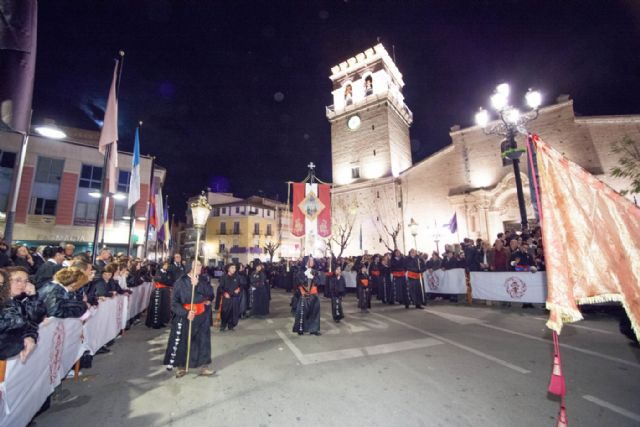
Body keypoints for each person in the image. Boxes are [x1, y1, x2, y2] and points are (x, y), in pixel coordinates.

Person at [163, 261, 215, 378]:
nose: (200, 267)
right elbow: (174, 303)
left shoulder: (203, 280)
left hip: (202, 315)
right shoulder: (180, 282)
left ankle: (204, 366)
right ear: (190, 268)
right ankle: (181, 366)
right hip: (186, 316)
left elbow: (211, 294)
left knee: (203, 342)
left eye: (200, 265)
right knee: (184, 341)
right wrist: (185, 313)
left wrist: (198, 285)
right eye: (197, 265)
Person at [0, 269, 39, 361]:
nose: (22, 284)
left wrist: (30, 336)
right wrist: (21, 341)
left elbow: (33, 320)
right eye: (18, 280)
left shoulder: (13, 302)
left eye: (0, 285)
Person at [292, 256, 321, 336]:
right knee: (302, 312)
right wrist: (304, 277)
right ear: (306, 261)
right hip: (304, 294)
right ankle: (300, 329)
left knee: (314, 312)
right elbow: (297, 282)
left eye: (312, 260)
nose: (312, 262)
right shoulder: (300, 271)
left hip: (314, 294)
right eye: (310, 260)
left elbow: (319, 282)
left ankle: (314, 329)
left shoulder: (314, 271)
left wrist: (314, 277)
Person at [146, 260, 173, 329]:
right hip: (159, 292)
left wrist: (166, 281)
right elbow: (161, 280)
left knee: (164, 307)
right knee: (157, 307)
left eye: (167, 265)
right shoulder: (158, 272)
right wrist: (166, 280)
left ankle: (162, 321)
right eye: (165, 265)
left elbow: (170, 281)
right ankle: (155, 323)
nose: (166, 266)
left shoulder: (168, 272)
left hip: (165, 292)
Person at [218, 263, 241, 332]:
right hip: (227, 298)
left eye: (235, 268)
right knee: (225, 312)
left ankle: (231, 326)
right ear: (228, 269)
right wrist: (224, 293)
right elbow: (220, 288)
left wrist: (238, 289)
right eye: (232, 268)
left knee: (233, 312)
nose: (234, 269)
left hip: (235, 298)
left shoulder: (237, 277)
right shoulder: (223, 277)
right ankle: (223, 326)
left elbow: (241, 285)